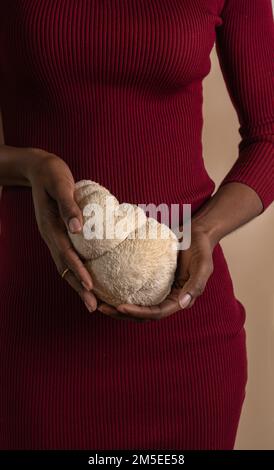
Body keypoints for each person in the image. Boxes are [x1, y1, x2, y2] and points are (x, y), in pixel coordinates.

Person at [0, 0, 273, 450]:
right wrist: (32, 166)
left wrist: (203, 231)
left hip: (187, 337)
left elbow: (270, 134)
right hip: (40, 329)